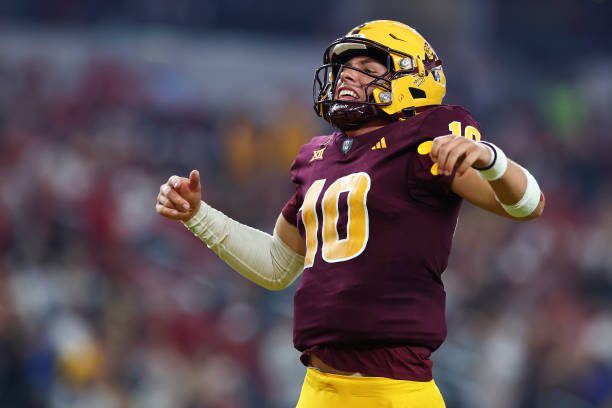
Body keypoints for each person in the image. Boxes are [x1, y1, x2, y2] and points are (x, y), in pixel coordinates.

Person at [155, 20, 545, 408]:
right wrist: (198, 215)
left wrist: (493, 161)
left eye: (369, 71)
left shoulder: (425, 140)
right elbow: (276, 265)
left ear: (411, 82)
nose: (348, 78)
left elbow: (527, 206)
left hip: (394, 390)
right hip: (318, 389)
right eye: (346, 68)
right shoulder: (317, 157)